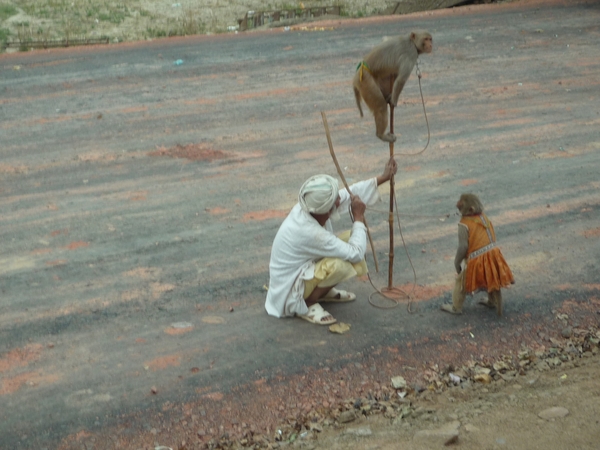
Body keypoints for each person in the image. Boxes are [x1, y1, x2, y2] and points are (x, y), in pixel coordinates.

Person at [265, 158, 398, 325]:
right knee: (342, 263)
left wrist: (383, 177)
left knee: (353, 238)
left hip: (304, 268)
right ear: (325, 209)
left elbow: (350, 193)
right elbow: (356, 254)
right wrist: (358, 218)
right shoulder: (310, 232)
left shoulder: (309, 207)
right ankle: (308, 303)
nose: (339, 200)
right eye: (335, 200)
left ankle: (321, 291)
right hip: (290, 289)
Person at [441, 193, 514, 317]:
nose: (457, 204)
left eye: (461, 203)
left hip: (478, 258)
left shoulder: (464, 224)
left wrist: (456, 263)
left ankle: (456, 307)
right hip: (493, 254)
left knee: (461, 281)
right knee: (491, 278)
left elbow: (463, 247)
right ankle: (493, 301)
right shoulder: (483, 217)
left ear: (470, 209)